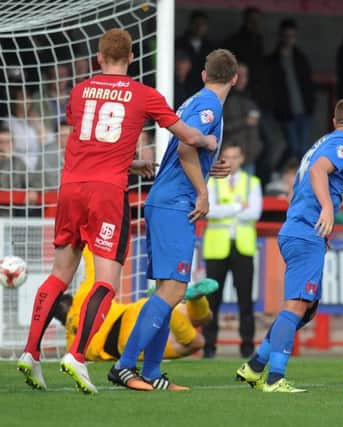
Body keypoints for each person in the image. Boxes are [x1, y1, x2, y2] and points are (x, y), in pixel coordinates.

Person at [16, 28, 214, 394]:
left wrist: (130, 162)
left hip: (70, 187)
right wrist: (207, 141)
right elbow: (185, 135)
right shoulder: (144, 94)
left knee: (60, 274)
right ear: (132, 57)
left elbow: (93, 140)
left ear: (98, 56)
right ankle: (77, 356)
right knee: (106, 280)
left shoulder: (79, 91)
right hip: (106, 193)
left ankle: (31, 352)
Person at [109, 49, 238, 391]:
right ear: (236, 78)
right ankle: (124, 366)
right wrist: (203, 191)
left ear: (203, 74)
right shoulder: (210, 106)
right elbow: (185, 148)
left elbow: (190, 149)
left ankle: (151, 373)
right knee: (174, 289)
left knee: (168, 290)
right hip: (175, 204)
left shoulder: (194, 101)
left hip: (165, 200)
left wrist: (211, 167)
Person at [236, 97, 343, 393]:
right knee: (296, 307)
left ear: (333, 120)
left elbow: (297, 184)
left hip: (301, 230)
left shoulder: (321, 142)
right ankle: (274, 378)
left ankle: (255, 366)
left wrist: (312, 224)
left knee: (306, 309)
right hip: (305, 232)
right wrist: (326, 211)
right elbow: (319, 172)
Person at [53, 248, 217, 361]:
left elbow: (86, 356)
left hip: (121, 345)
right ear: (69, 299)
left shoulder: (71, 344)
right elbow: (93, 266)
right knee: (204, 318)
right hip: (133, 313)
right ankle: (191, 299)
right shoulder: (83, 297)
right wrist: (89, 239)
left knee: (196, 343)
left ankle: (167, 301)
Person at [202, 142, 262, 359]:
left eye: (235, 157)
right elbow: (209, 211)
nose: (231, 161)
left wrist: (224, 209)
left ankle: (247, 345)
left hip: (243, 247)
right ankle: (209, 346)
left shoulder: (252, 182)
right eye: (227, 157)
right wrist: (238, 207)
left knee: (245, 300)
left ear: (242, 158)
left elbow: (254, 213)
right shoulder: (212, 182)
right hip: (217, 247)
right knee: (212, 300)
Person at [267, 19, 315, 163]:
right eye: (286, 36)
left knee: (303, 149)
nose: (289, 39)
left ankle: (299, 179)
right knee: (294, 147)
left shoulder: (301, 58)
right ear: (280, 36)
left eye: (292, 36)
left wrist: (311, 105)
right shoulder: (273, 60)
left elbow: (308, 84)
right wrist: (277, 108)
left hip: (304, 111)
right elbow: (271, 88)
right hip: (286, 113)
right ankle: (279, 171)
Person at [222, 63, 262, 173]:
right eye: (239, 75)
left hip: (250, 157)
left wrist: (257, 148)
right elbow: (222, 127)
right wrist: (244, 122)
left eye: (245, 75)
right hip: (230, 158)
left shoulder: (251, 97)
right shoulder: (224, 99)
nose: (242, 79)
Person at [175, 11, 215, 94]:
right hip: (182, 88)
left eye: (203, 24)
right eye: (196, 23)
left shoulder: (210, 47)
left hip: (203, 89)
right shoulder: (178, 43)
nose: (199, 27)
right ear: (190, 24)